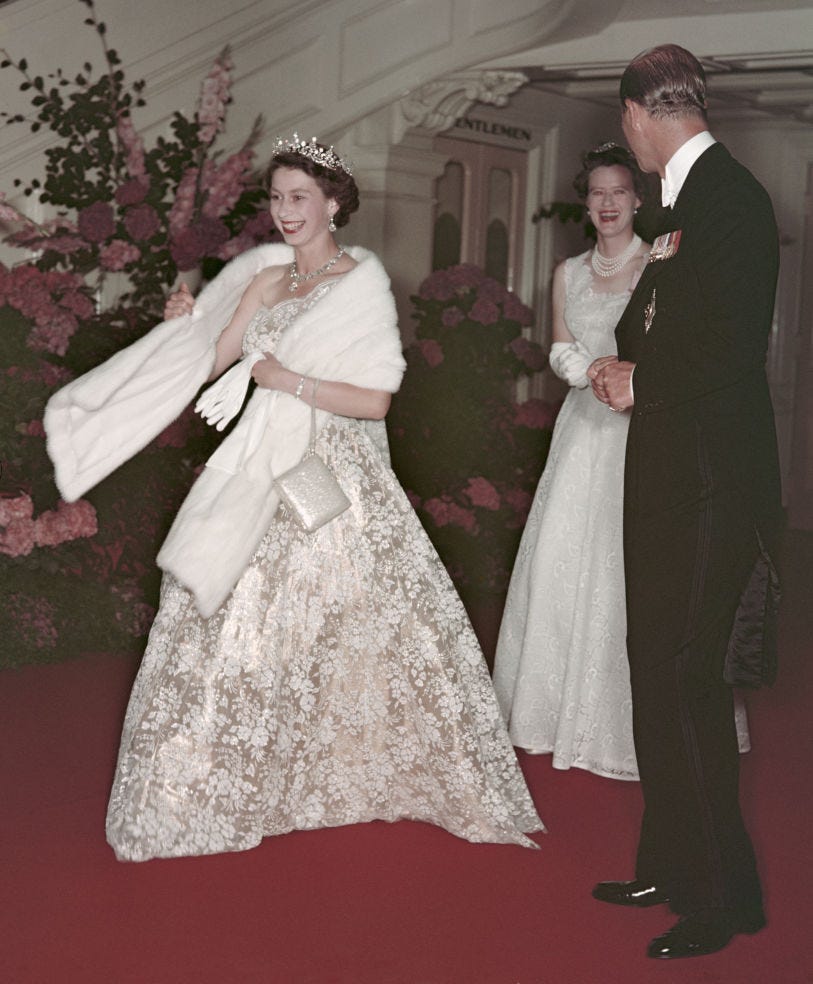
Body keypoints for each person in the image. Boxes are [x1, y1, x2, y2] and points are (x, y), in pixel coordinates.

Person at [45, 135, 543, 862]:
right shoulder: (266, 281)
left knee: (346, 613)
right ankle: (233, 783)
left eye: (300, 197)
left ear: (334, 203)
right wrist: (182, 324)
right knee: (235, 615)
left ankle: (352, 766)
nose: (285, 211)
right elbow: (210, 362)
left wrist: (286, 381)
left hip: (334, 470)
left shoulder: (360, 284)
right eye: (277, 198)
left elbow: (374, 401)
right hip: (263, 464)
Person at [589, 45, 781, 960]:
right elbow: (650, 322)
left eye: (623, 122)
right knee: (653, 672)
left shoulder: (730, 199)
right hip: (668, 473)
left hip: (710, 481)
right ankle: (669, 863)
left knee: (684, 677)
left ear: (638, 113)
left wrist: (643, 379)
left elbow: (734, 346)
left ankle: (720, 900)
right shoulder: (679, 207)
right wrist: (626, 361)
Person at [493, 143, 650, 779]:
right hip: (583, 426)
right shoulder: (568, 272)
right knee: (563, 554)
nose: (608, 203)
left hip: (639, 426)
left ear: (638, 199)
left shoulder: (659, 265)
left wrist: (628, 378)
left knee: (625, 561)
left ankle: (623, 723)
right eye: (597, 193)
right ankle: (550, 713)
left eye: (619, 192)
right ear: (586, 204)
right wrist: (590, 371)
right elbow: (559, 347)